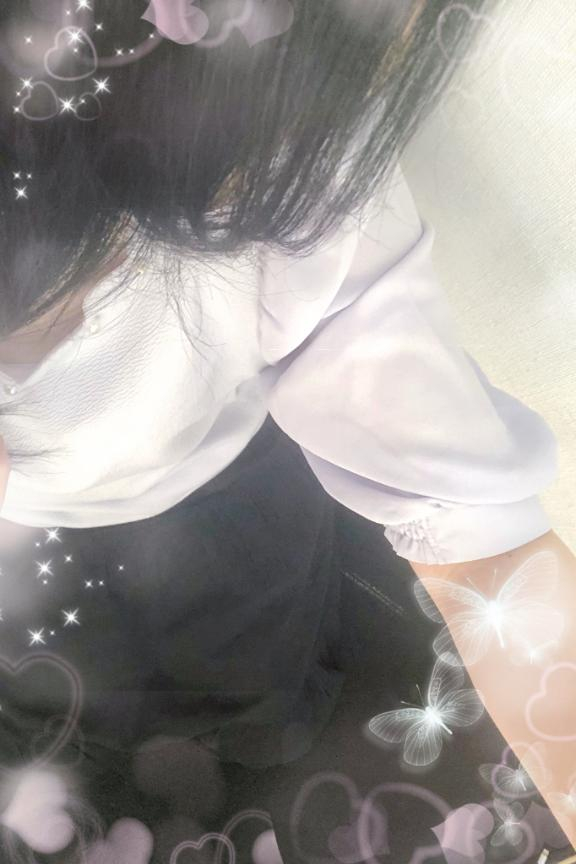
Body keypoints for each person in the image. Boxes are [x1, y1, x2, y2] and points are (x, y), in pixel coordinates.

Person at [0, 1, 573, 862]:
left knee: (260, 688)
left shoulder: (297, 154)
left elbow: (486, 542)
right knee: (61, 710)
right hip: (39, 550)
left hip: (231, 488)